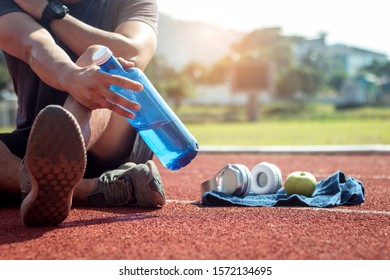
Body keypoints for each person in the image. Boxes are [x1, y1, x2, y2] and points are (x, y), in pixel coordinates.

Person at [0, 0, 165, 227]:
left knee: (100, 56)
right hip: (34, 143)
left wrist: (49, 12)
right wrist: (71, 76)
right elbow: (32, 45)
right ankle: (92, 189)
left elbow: (133, 53)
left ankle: (51, 164)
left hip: (114, 136)